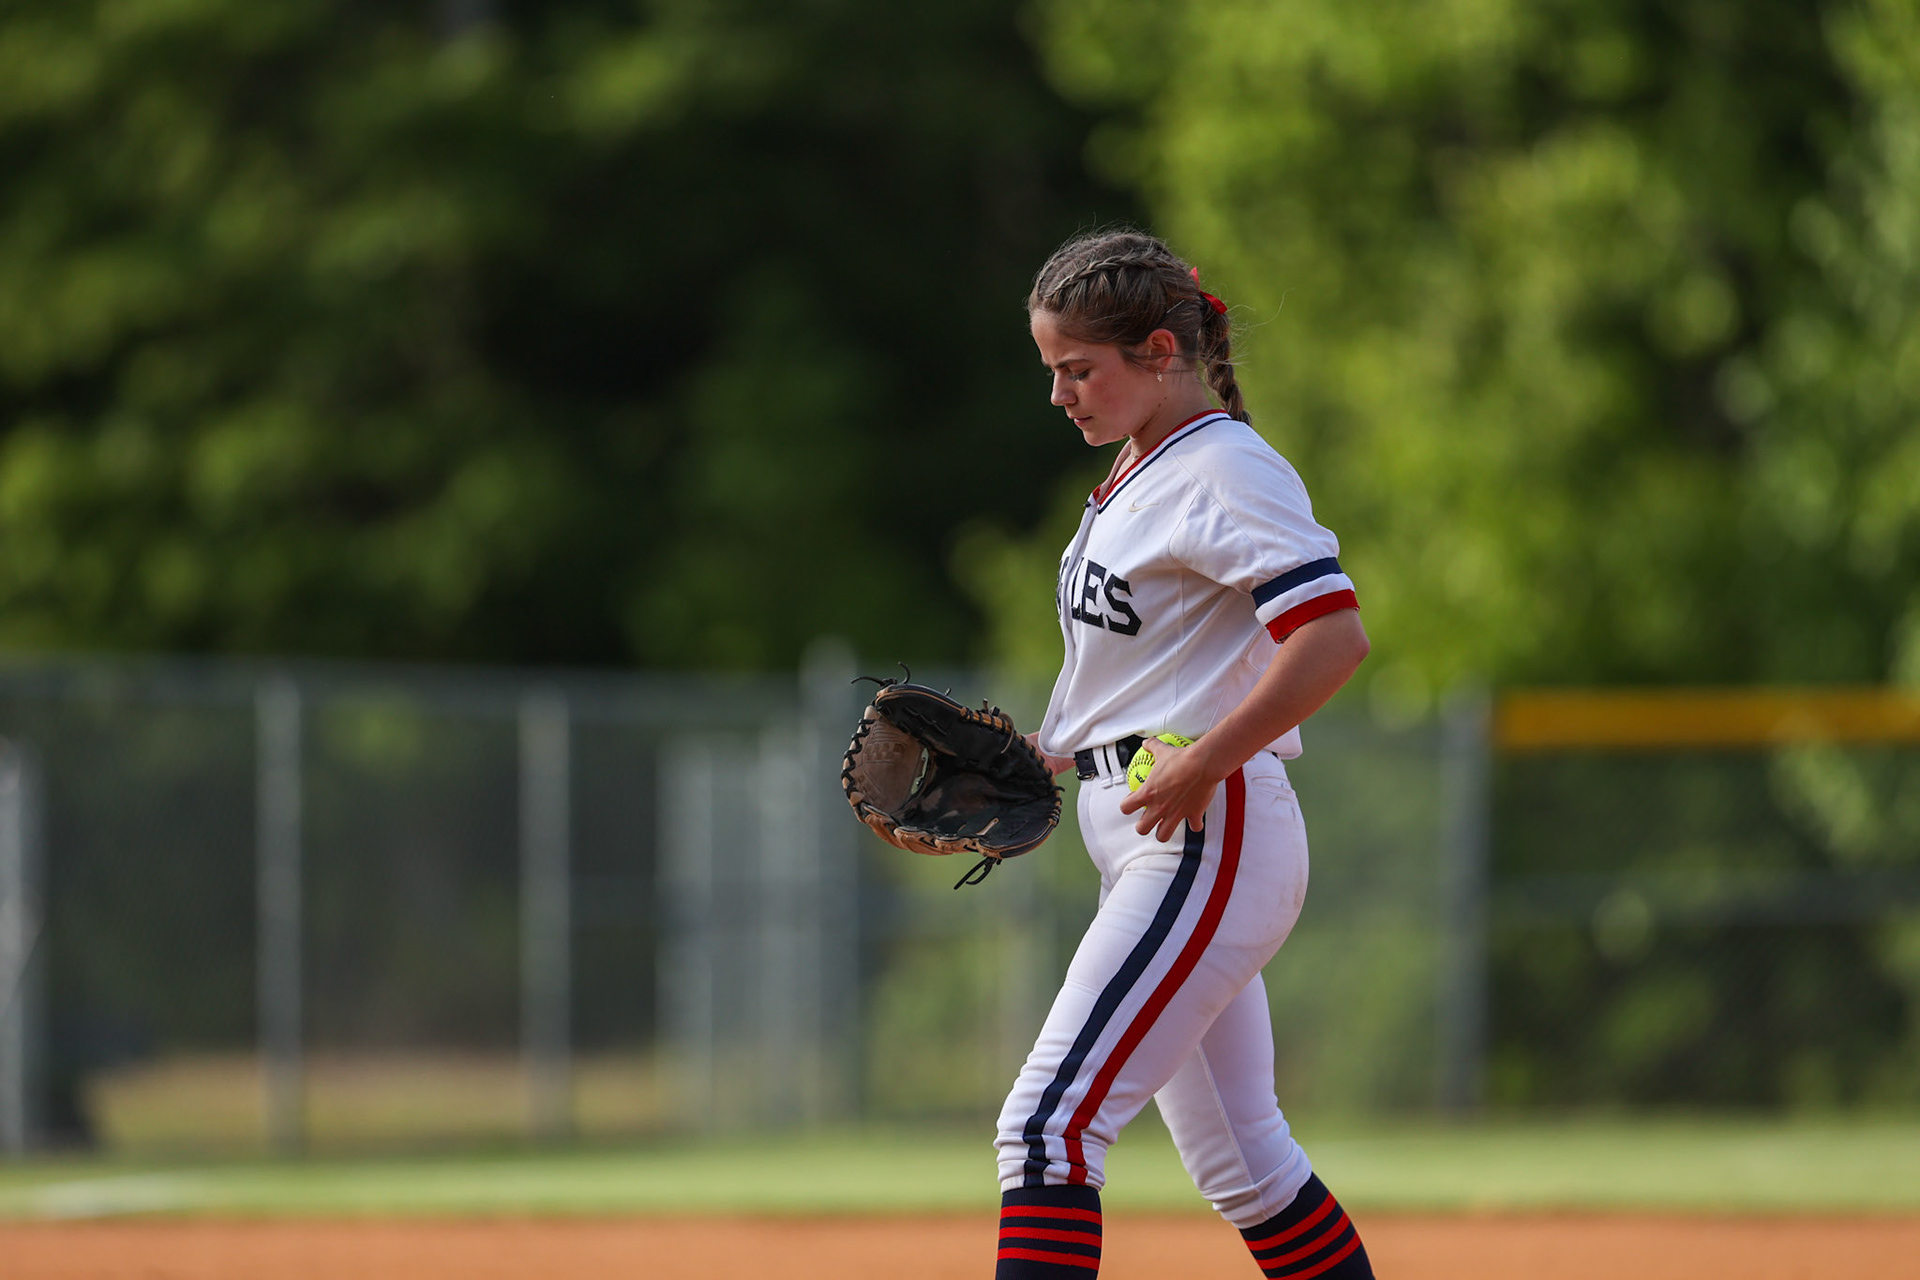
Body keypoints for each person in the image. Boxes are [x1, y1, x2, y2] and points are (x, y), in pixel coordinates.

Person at [995, 230, 1377, 1280]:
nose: (1062, 393)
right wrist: (1049, 753)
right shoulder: (1137, 470)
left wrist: (1208, 757)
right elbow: (1148, 673)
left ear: (1160, 351)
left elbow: (1333, 637)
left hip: (1206, 831)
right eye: (1053, 370)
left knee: (1047, 1127)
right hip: (1152, 827)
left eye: (1080, 368)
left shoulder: (1221, 467)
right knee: (1248, 1164)